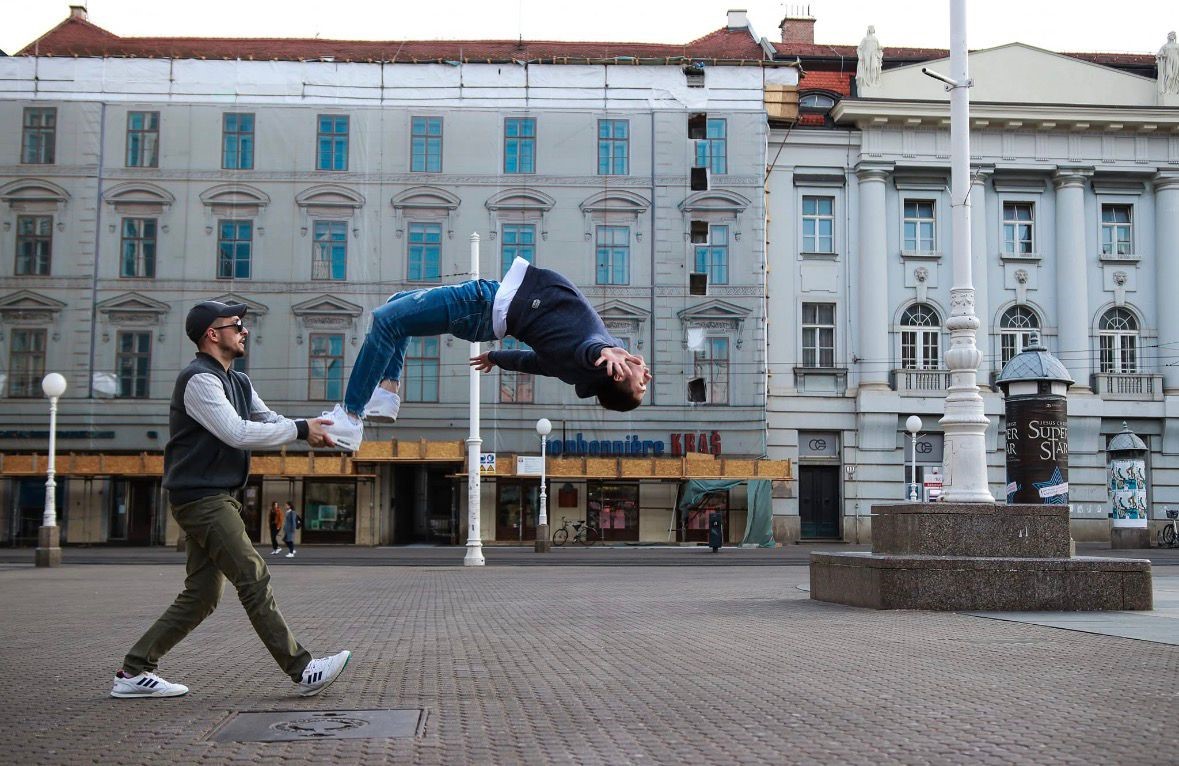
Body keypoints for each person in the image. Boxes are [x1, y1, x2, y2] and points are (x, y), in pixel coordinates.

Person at [110, 300, 352, 700]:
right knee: (252, 573)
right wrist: (299, 429)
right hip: (200, 497)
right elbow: (237, 432)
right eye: (236, 324)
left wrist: (317, 427)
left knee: (203, 595)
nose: (244, 330)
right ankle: (302, 668)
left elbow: (267, 419)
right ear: (212, 333)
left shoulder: (238, 382)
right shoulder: (199, 381)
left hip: (216, 495)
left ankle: (135, 670)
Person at [322, 257, 652, 451]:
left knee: (385, 320)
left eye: (641, 385)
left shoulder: (594, 356)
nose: (647, 376)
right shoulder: (575, 370)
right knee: (397, 302)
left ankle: (351, 416)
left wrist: (608, 351)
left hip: (481, 304)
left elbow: (591, 347)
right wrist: (496, 358)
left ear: (617, 374)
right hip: (486, 312)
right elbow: (533, 362)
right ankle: (387, 392)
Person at [856, 25, 883, 90]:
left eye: (873, 28)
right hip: (867, 55)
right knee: (867, 68)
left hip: (873, 55)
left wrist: (880, 48)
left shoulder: (875, 39)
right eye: (871, 28)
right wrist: (861, 56)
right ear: (869, 29)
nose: (873, 29)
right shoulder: (865, 39)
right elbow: (859, 48)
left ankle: (873, 82)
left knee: (874, 68)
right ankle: (868, 82)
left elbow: (878, 47)